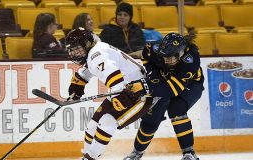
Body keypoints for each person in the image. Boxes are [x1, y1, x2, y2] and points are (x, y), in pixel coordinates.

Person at [65, 28, 159, 160]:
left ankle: (92, 157)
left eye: (77, 48)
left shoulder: (97, 54)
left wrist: (119, 98)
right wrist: (77, 87)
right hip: (123, 90)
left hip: (138, 95)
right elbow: (88, 70)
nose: (75, 53)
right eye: (72, 50)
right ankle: (86, 156)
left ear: (87, 43)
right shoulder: (95, 50)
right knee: (93, 124)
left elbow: (115, 79)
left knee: (107, 121)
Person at [123, 32, 204, 160]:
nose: (168, 60)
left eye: (172, 56)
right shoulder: (154, 49)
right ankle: (136, 154)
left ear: (181, 53)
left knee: (176, 109)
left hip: (191, 85)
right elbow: (145, 56)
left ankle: (189, 153)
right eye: (165, 56)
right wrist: (154, 76)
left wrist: (144, 87)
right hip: (164, 80)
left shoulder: (191, 59)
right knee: (151, 119)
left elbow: (172, 90)